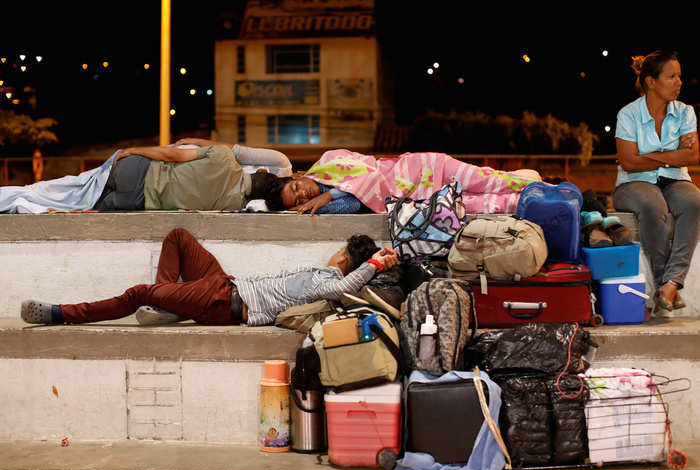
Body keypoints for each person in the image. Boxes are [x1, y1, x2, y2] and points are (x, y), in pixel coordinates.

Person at [20, 227, 398, 326]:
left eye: (339, 251)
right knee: (178, 238)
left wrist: (376, 264)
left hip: (224, 303)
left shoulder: (330, 280)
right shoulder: (322, 273)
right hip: (226, 284)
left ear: (345, 258)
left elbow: (348, 285)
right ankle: (165, 300)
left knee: (137, 293)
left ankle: (60, 314)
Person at [613, 50, 700, 313]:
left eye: (679, 77)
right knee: (654, 206)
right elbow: (628, 162)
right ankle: (667, 284)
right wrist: (672, 155)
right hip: (633, 183)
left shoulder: (685, 112)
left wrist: (648, 155)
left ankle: (671, 283)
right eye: (671, 76)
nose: (679, 82)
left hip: (675, 180)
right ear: (651, 82)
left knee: (695, 201)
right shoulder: (628, 115)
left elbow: (694, 156)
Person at [0, 142, 290, 214]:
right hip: (136, 201)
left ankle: (17, 196)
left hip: (136, 170)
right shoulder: (229, 207)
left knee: (68, 186)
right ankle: (19, 202)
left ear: (260, 172)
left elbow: (172, 154)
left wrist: (132, 150)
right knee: (67, 204)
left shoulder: (223, 157)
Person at [260, 149, 542, 215]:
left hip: (426, 169)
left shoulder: (329, 159)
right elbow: (357, 203)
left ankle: (550, 192)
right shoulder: (323, 207)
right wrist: (326, 201)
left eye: (296, 187)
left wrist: (327, 195)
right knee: (496, 205)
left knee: (492, 182)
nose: (303, 193)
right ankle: (544, 205)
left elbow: (369, 176)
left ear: (296, 176)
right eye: (298, 200)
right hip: (424, 204)